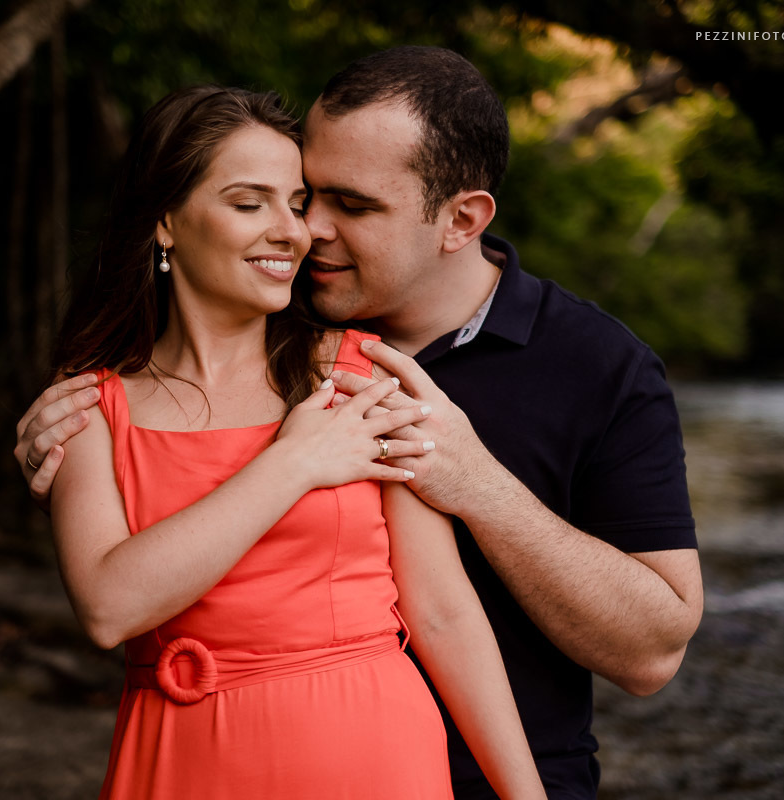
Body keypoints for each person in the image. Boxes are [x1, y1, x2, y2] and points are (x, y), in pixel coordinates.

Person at [18, 49, 703, 799]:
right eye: (300, 198)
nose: (306, 230)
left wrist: (475, 481)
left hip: (455, 766)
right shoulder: (264, 339)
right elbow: (116, 583)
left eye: (349, 204)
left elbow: (634, 649)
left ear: (461, 220)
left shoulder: (591, 366)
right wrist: (84, 463)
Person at [41, 85, 545, 799]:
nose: (293, 232)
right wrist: (295, 464)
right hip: (179, 759)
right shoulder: (90, 402)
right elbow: (108, 607)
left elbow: (441, 613)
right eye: (250, 204)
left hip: (368, 753)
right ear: (166, 222)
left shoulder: (357, 373)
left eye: (296, 202)